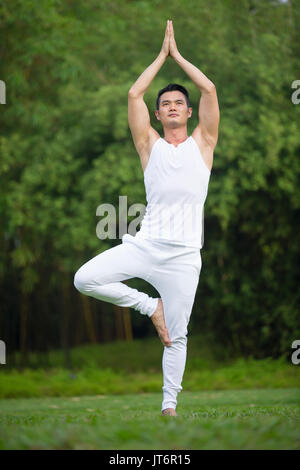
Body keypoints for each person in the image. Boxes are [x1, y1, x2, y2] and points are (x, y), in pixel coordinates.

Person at [74, 20, 220, 417]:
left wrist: (179, 56)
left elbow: (209, 89)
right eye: (165, 104)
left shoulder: (204, 144)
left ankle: (168, 408)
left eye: (178, 103)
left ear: (189, 112)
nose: (172, 107)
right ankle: (147, 306)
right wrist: (161, 56)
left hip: (185, 257)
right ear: (157, 115)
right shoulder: (148, 146)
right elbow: (134, 92)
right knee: (84, 279)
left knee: (177, 336)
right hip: (146, 246)